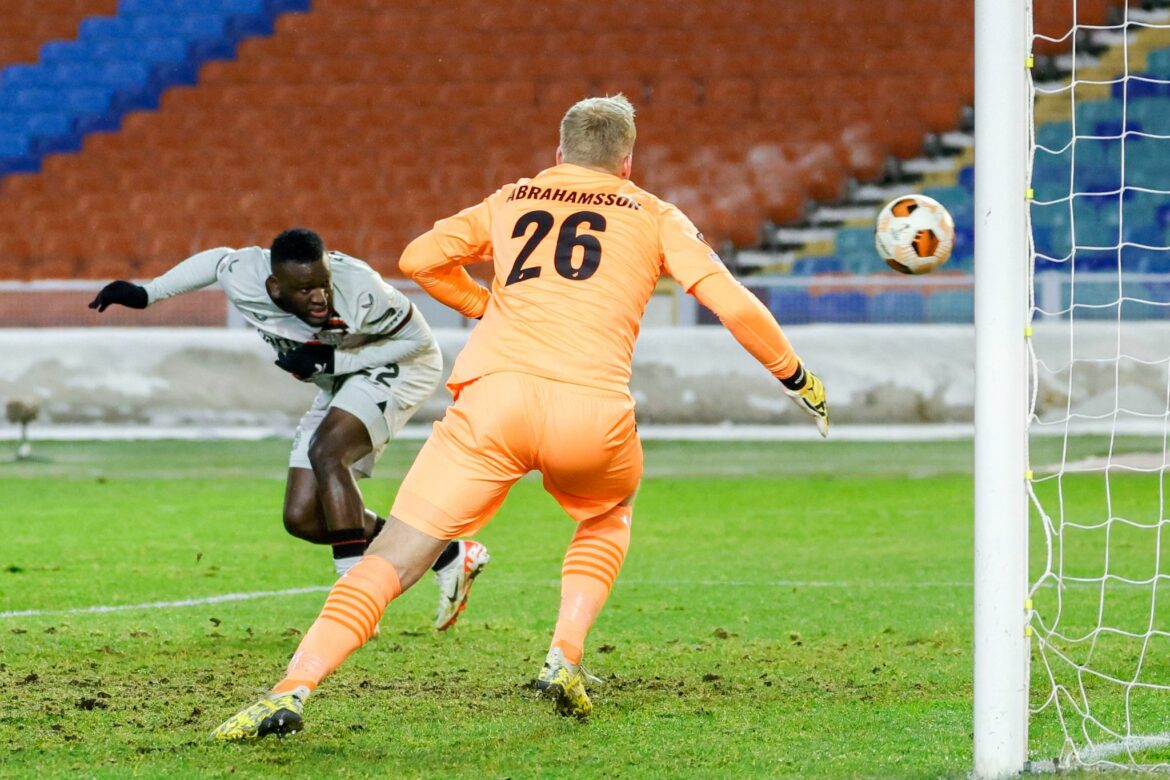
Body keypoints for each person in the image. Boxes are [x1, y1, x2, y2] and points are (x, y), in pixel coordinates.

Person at [211, 96, 827, 740]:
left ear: (559, 155)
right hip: (590, 412)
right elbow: (730, 301)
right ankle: (564, 654)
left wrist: (483, 304)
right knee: (605, 515)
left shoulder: (513, 198)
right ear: (627, 163)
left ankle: (292, 689)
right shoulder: (653, 213)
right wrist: (796, 377)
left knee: (390, 560)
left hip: (492, 403)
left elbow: (419, 258)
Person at [88, 228, 490, 631]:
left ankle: (353, 597)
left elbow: (417, 342)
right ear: (274, 287)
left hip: (400, 367)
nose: (318, 297)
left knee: (328, 453)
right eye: (304, 290)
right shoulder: (245, 273)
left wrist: (332, 362)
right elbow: (216, 261)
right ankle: (447, 556)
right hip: (339, 377)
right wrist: (147, 294)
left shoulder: (360, 287)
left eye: (322, 284)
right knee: (302, 517)